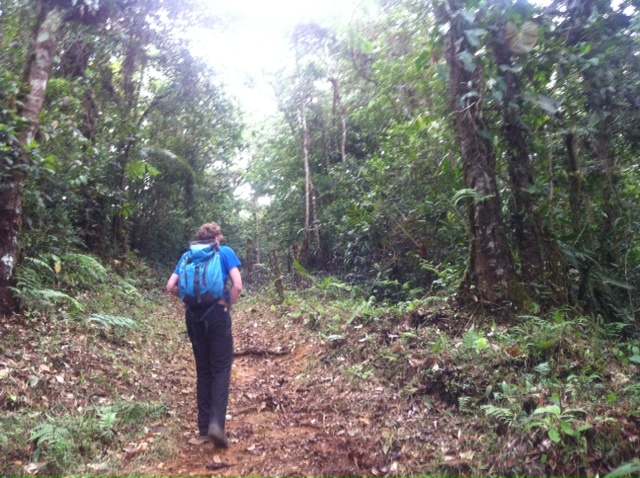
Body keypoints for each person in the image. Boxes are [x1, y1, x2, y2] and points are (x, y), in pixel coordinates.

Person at [166, 222, 242, 447]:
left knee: (203, 370)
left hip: (193, 317)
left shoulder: (187, 256)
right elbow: (238, 285)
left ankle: (203, 430)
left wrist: (190, 300)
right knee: (221, 368)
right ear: (217, 237)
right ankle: (217, 425)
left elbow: (170, 286)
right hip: (217, 315)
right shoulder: (224, 252)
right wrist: (226, 304)